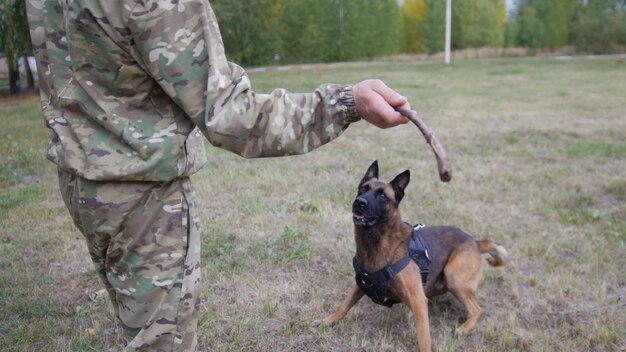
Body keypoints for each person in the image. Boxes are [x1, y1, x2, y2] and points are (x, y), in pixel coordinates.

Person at [26, 1, 410, 350]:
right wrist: (346, 103)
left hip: (81, 184)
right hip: (144, 205)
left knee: (139, 327)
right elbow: (230, 116)